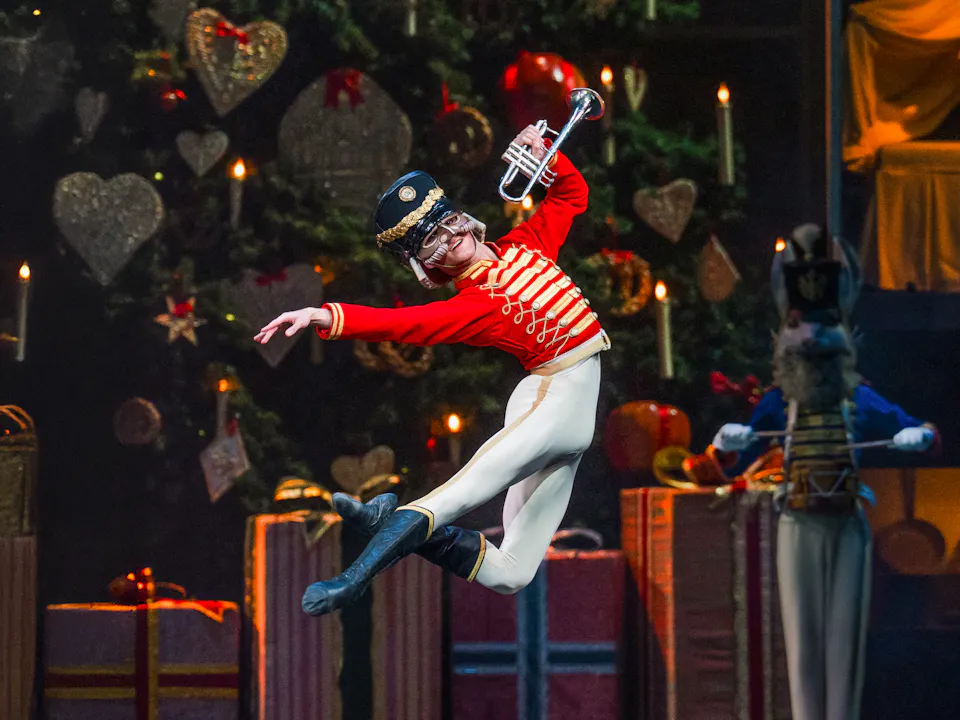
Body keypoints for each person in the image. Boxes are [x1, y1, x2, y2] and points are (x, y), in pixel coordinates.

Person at [256, 125, 609, 616]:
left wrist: (544, 152)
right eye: (429, 241)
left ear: (461, 216)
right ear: (422, 262)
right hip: (555, 400)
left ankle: (386, 522)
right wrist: (324, 316)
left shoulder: (528, 245)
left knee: (512, 573)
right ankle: (352, 579)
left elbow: (571, 195)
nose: (448, 239)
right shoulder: (474, 304)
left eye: (445, 223)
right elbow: (402, 324)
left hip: (570, 411)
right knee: (459, 492)